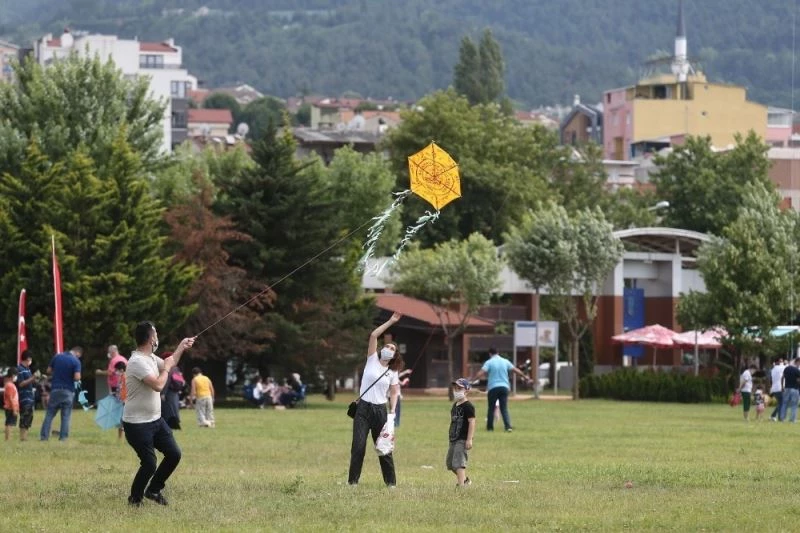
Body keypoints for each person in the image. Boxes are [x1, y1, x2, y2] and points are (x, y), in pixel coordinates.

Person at [122, 321, 194, 507]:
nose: (157, 337)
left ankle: (153, 490)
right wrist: (168, 368)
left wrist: (181, 347)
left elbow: (169, 362)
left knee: (174, 454)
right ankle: (134, 500)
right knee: (149, 463)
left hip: (155, 420)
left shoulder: (152, 358)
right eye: (156, 334)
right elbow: (158, 385)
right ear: (150, 338)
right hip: (137, 424)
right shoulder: (137, 362)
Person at [348, 312, 403, 488]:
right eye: (387, 346)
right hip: (363, 409)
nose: (388, 349)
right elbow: (373, 335)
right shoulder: (372, 359)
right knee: (358, 446)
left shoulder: (393, 372)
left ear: (394, 356)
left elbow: (394, 392)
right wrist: (391, 321)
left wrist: (393, 409)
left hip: (380, 410)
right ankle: (353, 482)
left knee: (384, 448)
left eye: (392, 349)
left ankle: (391, 484)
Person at [469, 347, 532, 432]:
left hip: (493, 388)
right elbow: (515, 370)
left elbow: (481, 372)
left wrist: (472, 380)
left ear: (490, 354)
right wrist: (525, 377)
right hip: (504, 387)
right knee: (504, 408)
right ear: (498, 352)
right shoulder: (505, 361)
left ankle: (490, 428)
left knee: (491, 408)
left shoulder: (489, 362)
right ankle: (508, 426)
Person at [39, 346, 82, 441]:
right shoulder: (76, 361)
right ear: (77, 353)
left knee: (49, 414)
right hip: (68, 390)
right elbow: (77, 377)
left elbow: (48, 371)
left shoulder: (57, 357)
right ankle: (63, 438)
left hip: (55, 389)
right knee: (66, 416)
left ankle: (44, 437)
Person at [447, 378, 476, 487]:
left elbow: (472, 422)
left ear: (467, 390)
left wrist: (469, 439)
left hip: (462, 439)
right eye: (455, 388)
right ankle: (465, 480)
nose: (456, 390)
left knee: (458, 463)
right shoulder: (455, 405)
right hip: (453, 438)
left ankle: (461, 486)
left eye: (459, 388)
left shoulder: (468, 406)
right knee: (450, 464)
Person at [17, 350, 36, 441]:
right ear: (28, 359)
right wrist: (32, 378)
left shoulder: (28, 369)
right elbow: (20, 384)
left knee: (29, 417)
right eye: (30, 359)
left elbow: (30, 381)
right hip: (24, 397)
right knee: (24, 417)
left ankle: (25, 437)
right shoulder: (20, 369)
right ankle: (22, 437)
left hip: (30, 397)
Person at [160, 355, 183, 430]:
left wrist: (163, 393)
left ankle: (173, 424)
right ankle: (176, 422)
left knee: (170, 407)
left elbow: (167, 381)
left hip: (169, 391)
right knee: (175, 406)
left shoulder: (169, 369)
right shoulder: (176, 368)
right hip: (175, 391)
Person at [780, 358, 800, 423]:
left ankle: (782, 418)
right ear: (797, 362)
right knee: (794, 405)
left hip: (786, 388)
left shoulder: (786, 369)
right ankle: (792, 419)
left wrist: (782, 386)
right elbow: (798, 380)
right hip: (794, 389)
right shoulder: (797, 370)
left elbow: (782, 377)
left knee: (784, 403)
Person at [4, 368, 19, 441]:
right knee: (9, 424)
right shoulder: (9, 385)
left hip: (11, 407)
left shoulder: (11, 385)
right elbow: (10, 398)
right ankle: (8, 438)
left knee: (10, 423)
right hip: (10, 408)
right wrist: (14, 409)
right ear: (13, 375)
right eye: (16, 375)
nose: (17, 377)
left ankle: (8, 438)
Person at [114, 361, 127, 440]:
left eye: (117, 370)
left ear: (121, 370)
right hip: (120, 401)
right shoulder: (121, 377)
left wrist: (124, 399)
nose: (116, 372)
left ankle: (121, 437)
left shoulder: (125, 377)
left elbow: (125, 390)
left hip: (124, 401)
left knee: (122, 420)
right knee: (120, 420)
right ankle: (120, 438)